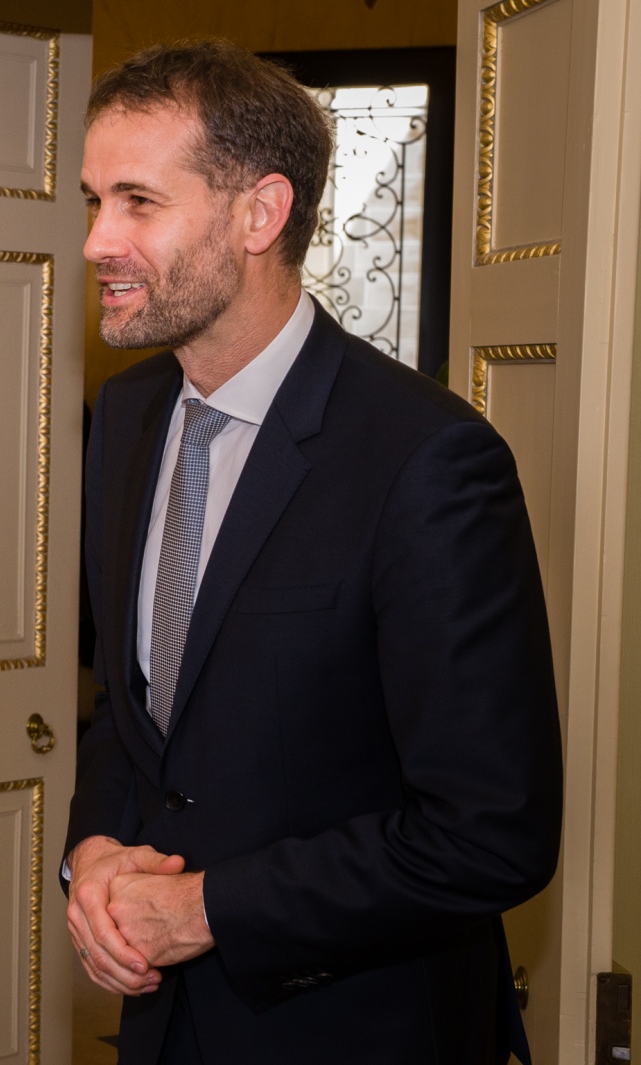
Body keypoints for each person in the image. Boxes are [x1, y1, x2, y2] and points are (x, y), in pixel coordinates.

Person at [65, 41, 563, 1065]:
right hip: (166, 1031)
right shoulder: (125, 416)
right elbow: (131, 706)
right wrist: (97, 853)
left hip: (359, 1028)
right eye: (90, 200)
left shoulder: (425, 459)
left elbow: (487, 835)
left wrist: (207, 909)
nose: (95, 241)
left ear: (259, 213)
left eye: (137, 202)